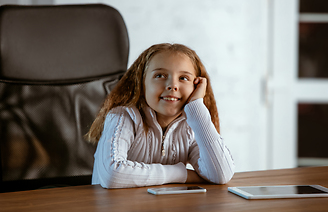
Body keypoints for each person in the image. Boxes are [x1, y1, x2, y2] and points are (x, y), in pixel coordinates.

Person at [85, 43, 235, 188]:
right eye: (160, 75)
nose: (172, 85)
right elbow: (112, 175)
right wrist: (183, 174)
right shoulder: (123, 117)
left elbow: (221, 174)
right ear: (141, 83)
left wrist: (197, 109)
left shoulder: (191, 125)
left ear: (196, 86)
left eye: (183, 78)